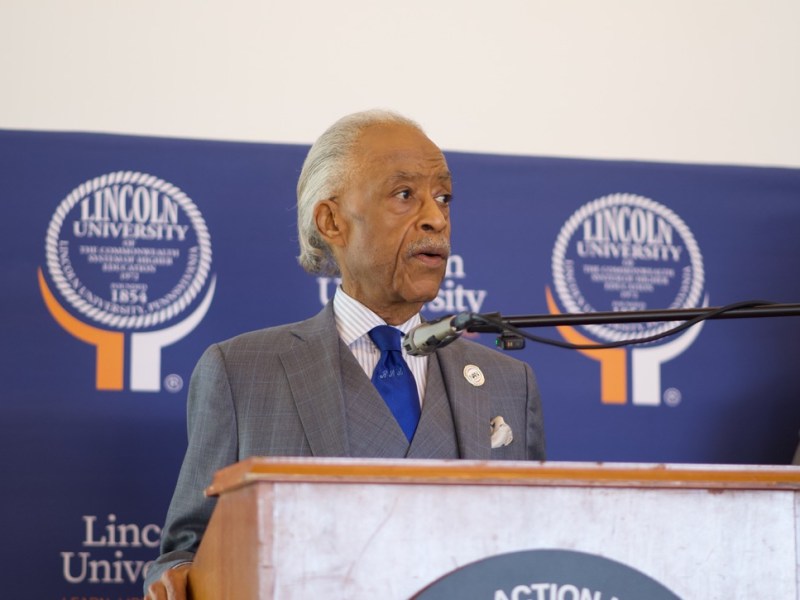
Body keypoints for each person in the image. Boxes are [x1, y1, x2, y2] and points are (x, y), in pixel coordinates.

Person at [144, 109, 546, 599]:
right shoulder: (241, 373)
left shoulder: (508, 382)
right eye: (405, 194)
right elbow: (187, 551)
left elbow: (533, 555)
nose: (436, 218)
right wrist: (178, 578)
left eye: (443, 197)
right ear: (332, 221)